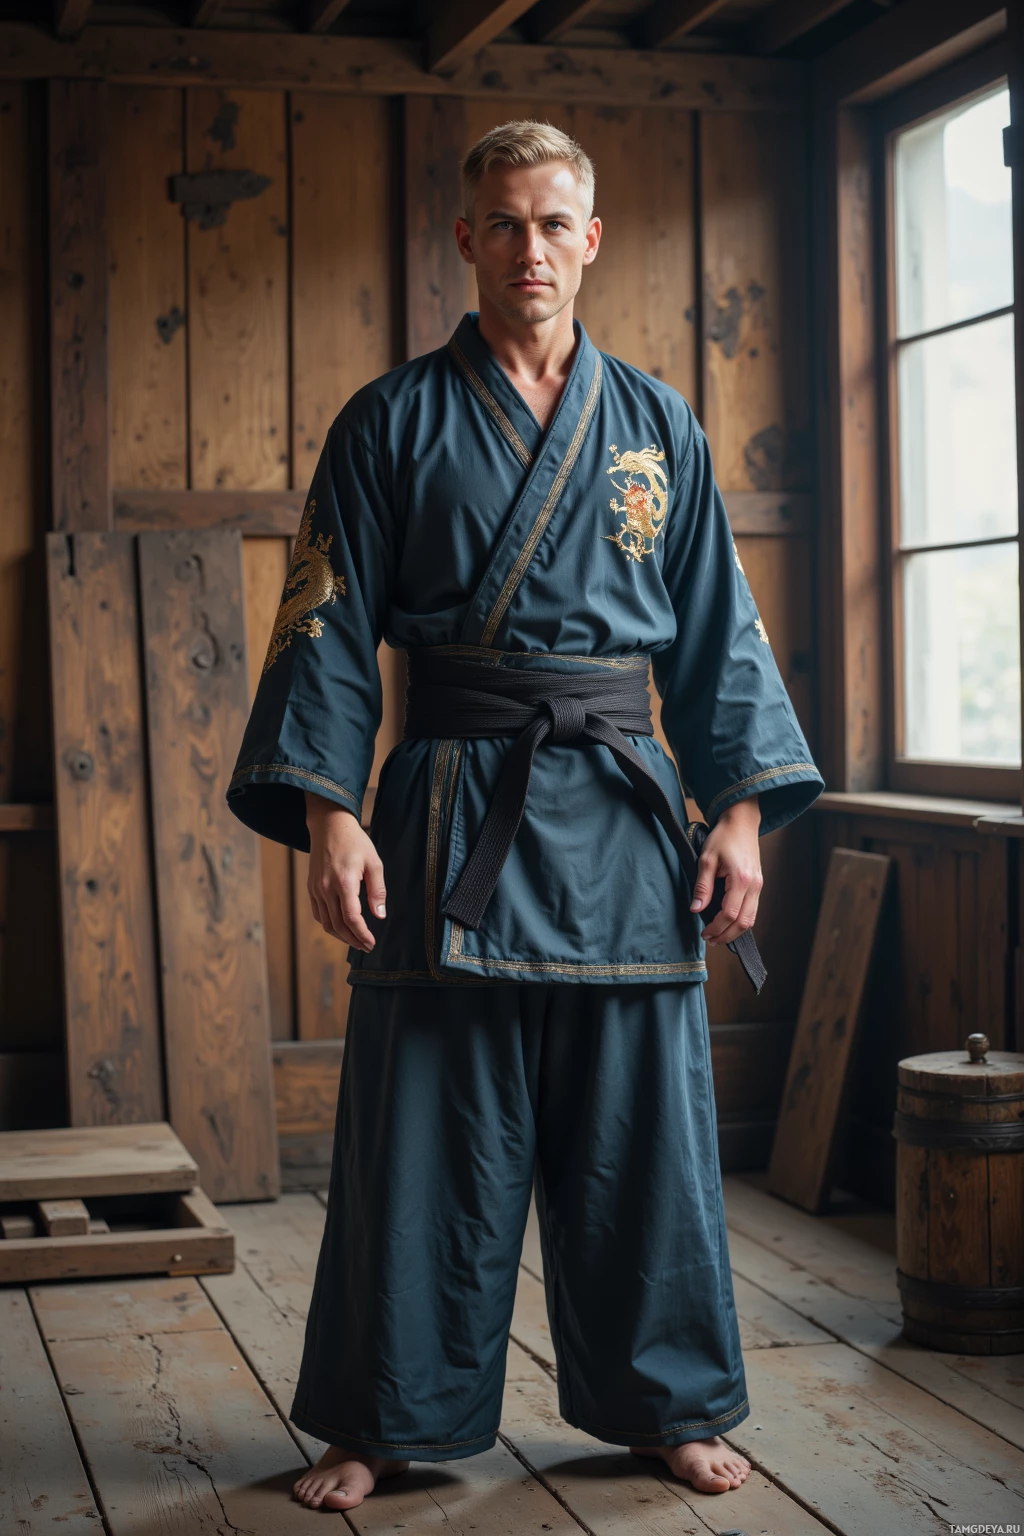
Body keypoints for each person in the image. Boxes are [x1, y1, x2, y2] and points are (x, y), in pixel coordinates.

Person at [226, 119, 823, 1514]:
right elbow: (321, 622)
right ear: (467, 240)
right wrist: (326, 811)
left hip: (623, 817)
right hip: (449, 809)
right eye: (505, 223)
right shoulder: (390, 420)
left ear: (591, 240)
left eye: (556, 224)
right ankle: (385, 1414)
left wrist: (736, 812)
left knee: (641, 1136)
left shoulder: (658, 423)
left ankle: (663, 1404)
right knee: (425, 1132)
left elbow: (720, 631)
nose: (531, 248)